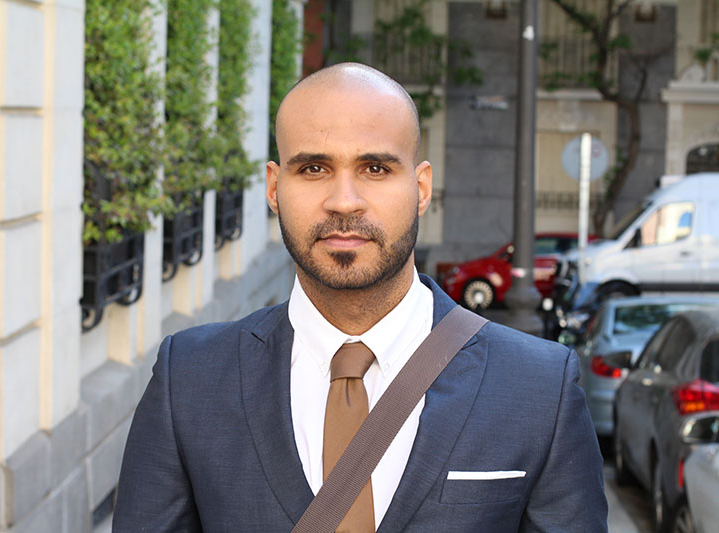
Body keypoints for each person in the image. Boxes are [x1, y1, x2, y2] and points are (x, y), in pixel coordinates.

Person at [114, 62, 608, 532]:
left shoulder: (539, 389)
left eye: (374, 168)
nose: (344, 201)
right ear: (273, 188)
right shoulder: (190, 381)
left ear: (420, 187)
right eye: (313, 169)